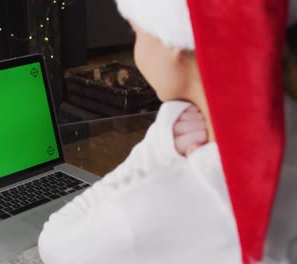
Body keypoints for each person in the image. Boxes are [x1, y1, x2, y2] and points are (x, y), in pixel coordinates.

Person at [39, 0, 296, 263]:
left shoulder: (147, 210)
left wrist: (159, 147)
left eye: (135, 32)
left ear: (172, 42)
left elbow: (53, 243)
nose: (136, 52)